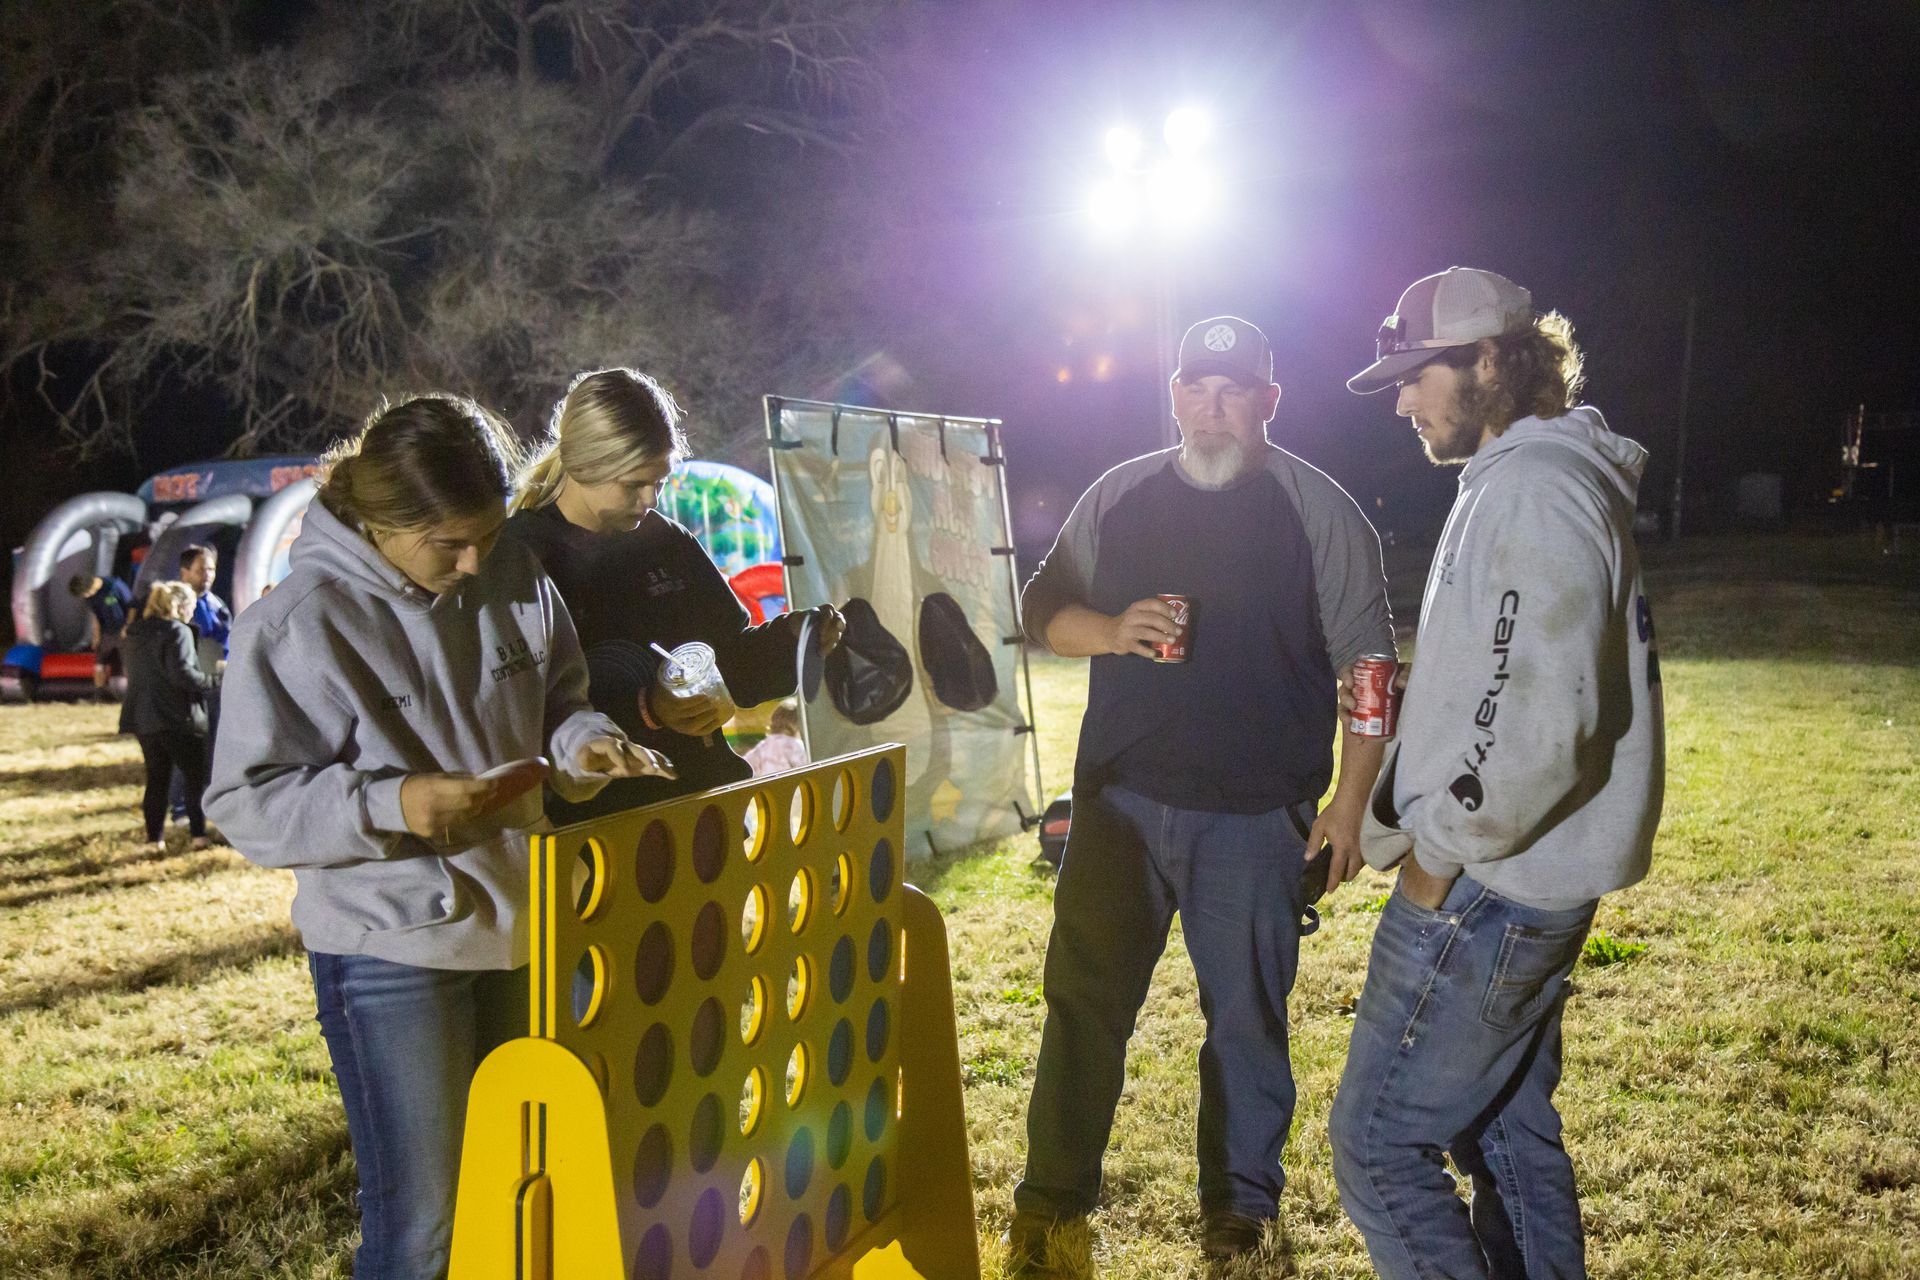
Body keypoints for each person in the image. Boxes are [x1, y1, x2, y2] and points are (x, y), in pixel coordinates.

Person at [205, 394, 674, 1280]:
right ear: (380, 523)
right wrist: (393, 804)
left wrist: (585, 743)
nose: (471, 563)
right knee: (426, 1224)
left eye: (486, 537)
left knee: (530, 1189)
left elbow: (560, 701)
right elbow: (244, 801)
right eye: (447, 545)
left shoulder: (513, 572)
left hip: (530, 928)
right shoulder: (296, 625)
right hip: (393, 950)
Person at [1008, 316, 1396, 1267]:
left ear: (1269, 400)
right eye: (1196, 388)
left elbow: (1372, 667)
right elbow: (1038, 613)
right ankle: (1050, 1203)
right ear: (1174, 396)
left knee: (1246, 1023)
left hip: (1260, 815)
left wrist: (1347, 807)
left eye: (1234, 391)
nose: (1213, 409)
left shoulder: (1318, 509)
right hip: (1120, 805)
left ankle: (1238, 1211)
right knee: (1083, 1006)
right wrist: (1108, 629)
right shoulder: (1121, 494)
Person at [1329, 267, 1665, 1278]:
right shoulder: (1527, 478)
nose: (1400, 401)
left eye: (1414, 375)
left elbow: (1536, 721)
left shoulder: (1537, 488)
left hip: (1489, 888)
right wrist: (1376, 824)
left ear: (1488, 361)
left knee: (1379, 1148)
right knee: (1506, 1128)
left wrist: (1433, 855)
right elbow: (1487, 687)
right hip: (1524, 876)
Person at [503, 367, 843, 818]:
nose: (650, 500)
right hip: (597, 830)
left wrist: (792, 641)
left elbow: (728, 663)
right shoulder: (519, 559)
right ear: (585, 463)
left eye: (659, 482)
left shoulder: (667, 540)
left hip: (705, 806)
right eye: (634, 485)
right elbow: (516, 718)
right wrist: (646, 710)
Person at [118, 580, 219, 851]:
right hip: (178, 716)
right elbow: (183, 675)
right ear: (182, 606)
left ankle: (154, 840)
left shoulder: (135, 631)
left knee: (156, 779)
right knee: (194, 778)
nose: (192, 614)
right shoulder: (177, 630)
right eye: (192, 608)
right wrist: (215, 679)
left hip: (142, 716)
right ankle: (199, 836)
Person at [68, 572, 134, 687]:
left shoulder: (114, 586)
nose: (86, 596)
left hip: (124, 631)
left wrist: (128, 627)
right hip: (107, 633)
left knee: (128, 665)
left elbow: (132, 607)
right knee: (99, 664)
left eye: (86, 593)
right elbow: (96, 616)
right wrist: (97, 636)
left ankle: (134, 694)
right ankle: (98, 696)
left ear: (90, 587)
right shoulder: (90, 598)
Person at [743, 698, 809, 778]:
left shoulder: (764, 745)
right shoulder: (794, 745)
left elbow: (746, 764)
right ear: (796, 724)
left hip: (768, 787)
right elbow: (805, 769)